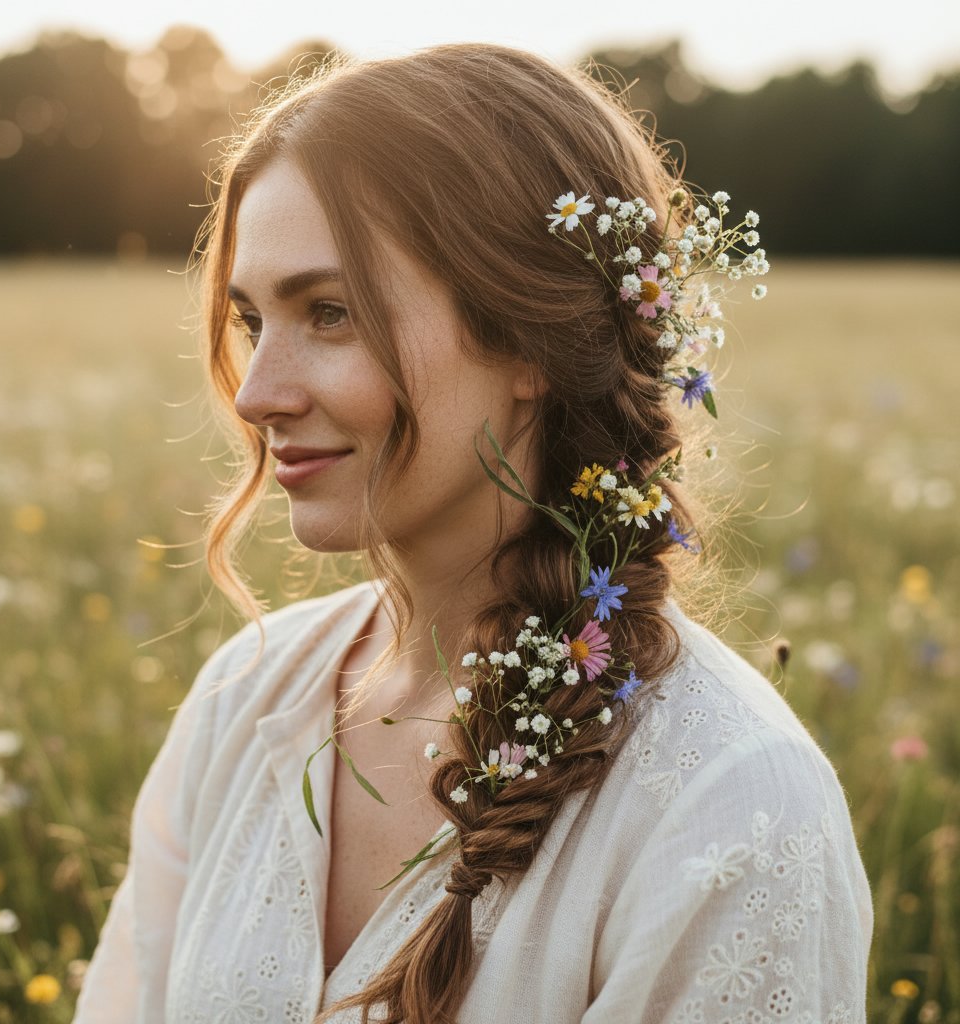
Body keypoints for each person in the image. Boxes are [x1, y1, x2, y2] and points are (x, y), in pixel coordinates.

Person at [72, 41, 873, 1024]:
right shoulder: (245, 699)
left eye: (330, 312)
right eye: (250, 322)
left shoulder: (728, 803)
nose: (261, 395)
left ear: (528, 336)